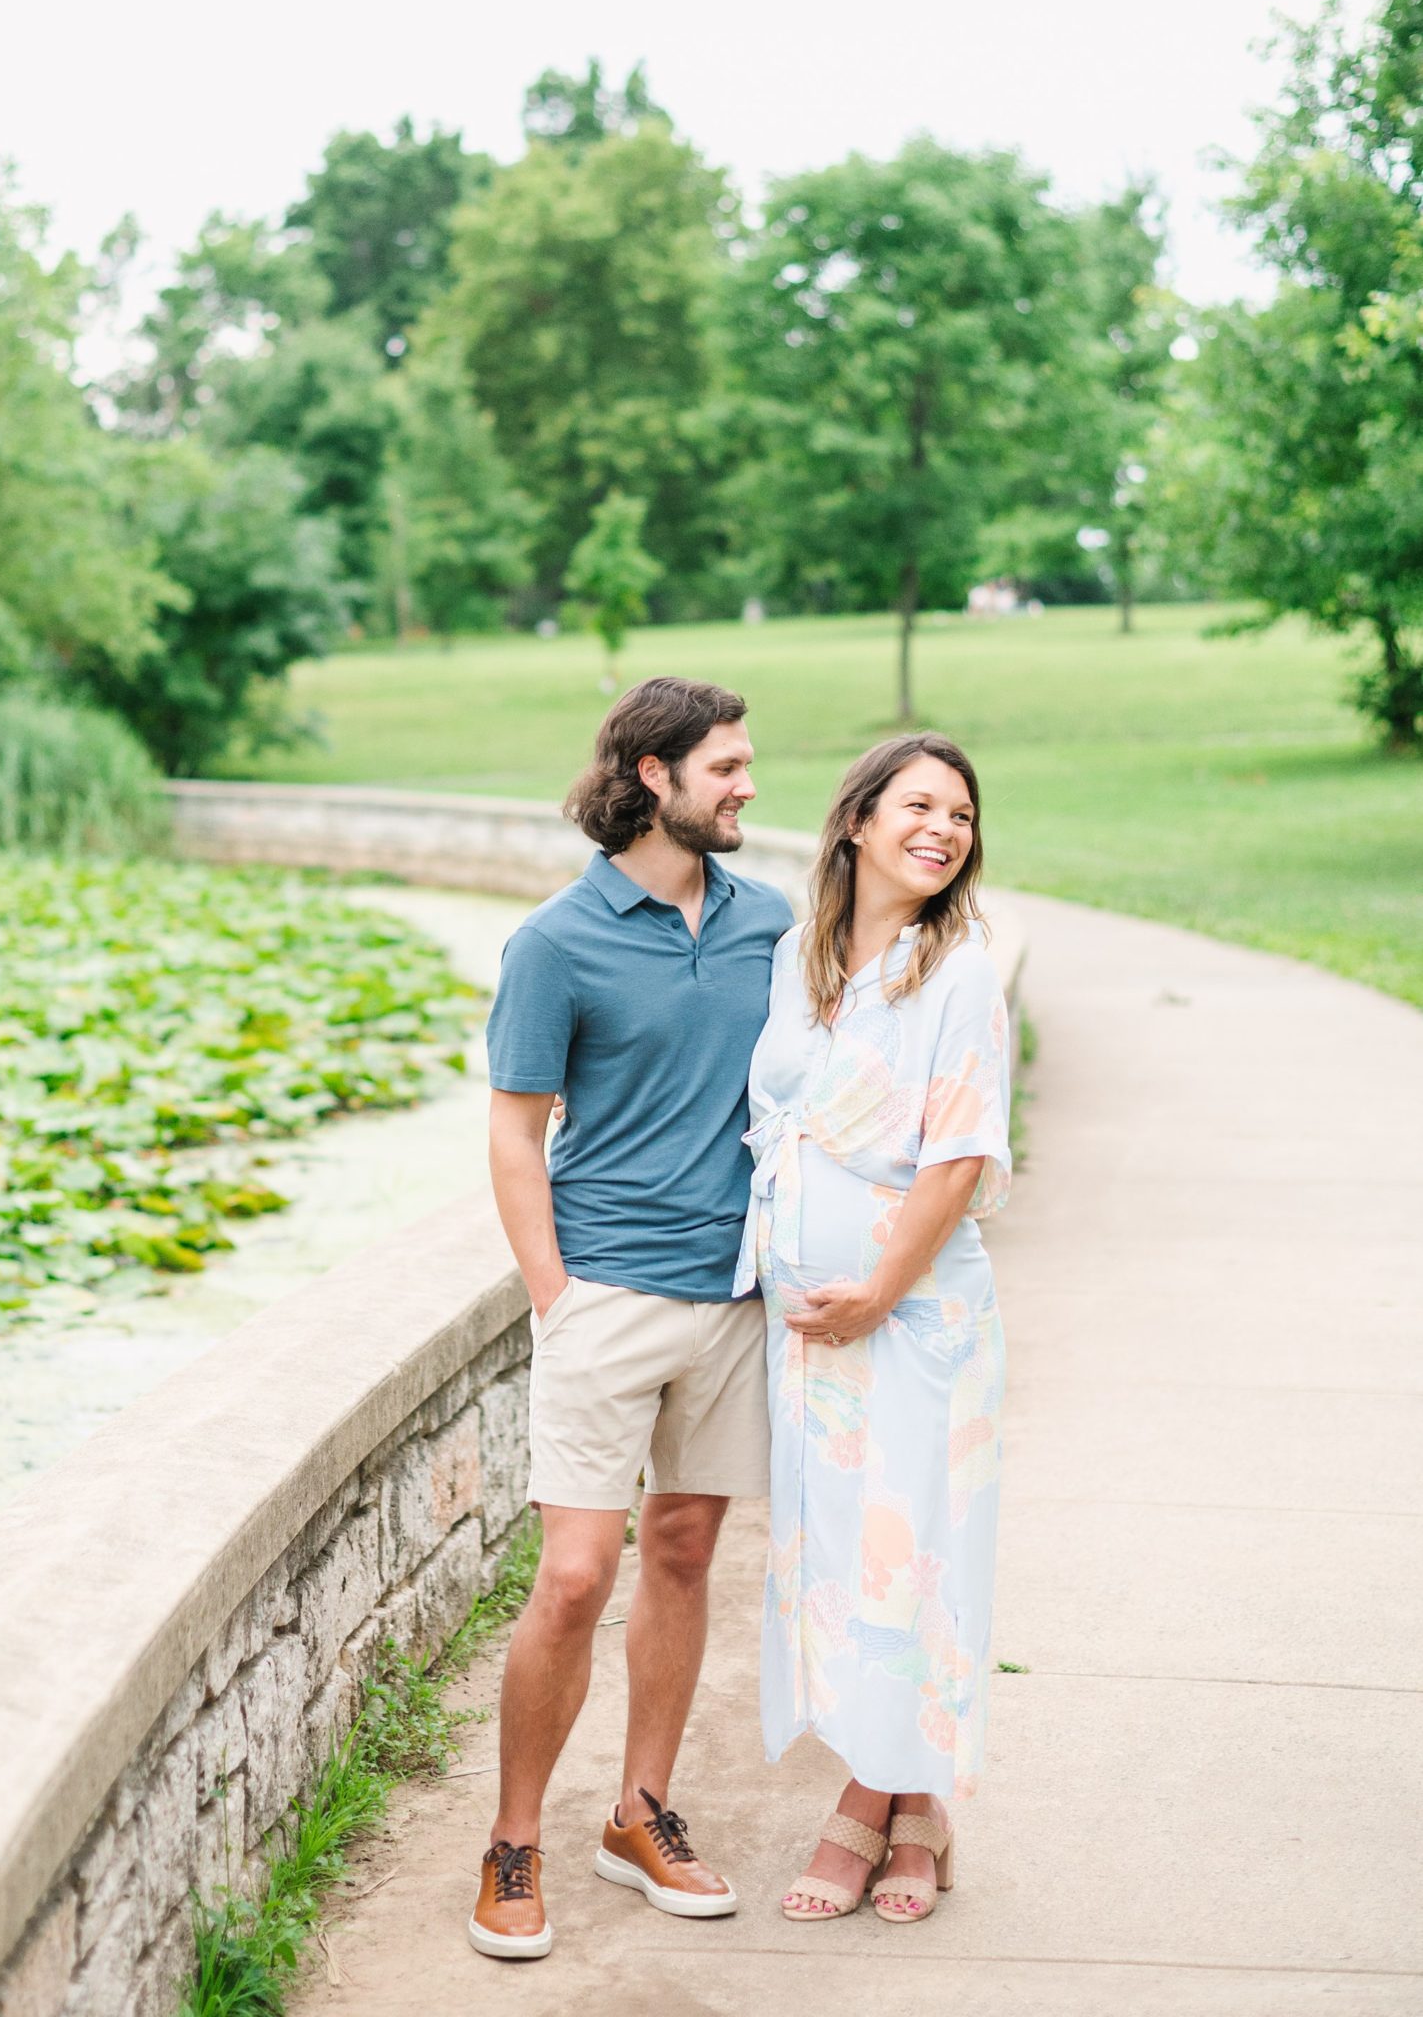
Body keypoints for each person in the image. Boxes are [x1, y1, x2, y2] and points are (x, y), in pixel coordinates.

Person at [469, 676, 796, 1961]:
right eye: (725, 765)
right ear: (652, 776)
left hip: (732, 1299)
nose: (747, 785)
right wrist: (555, 1295)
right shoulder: (555, 941)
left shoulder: (768, 922)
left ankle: (638, 1813)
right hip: (605, 1290)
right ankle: (512, 1839)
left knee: (680, 1553)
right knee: (571, 1576)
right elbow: (511, 1127)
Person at [740, 732, 1010, 1926]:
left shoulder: (955, 974)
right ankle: (920, 1807)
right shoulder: (801, 960)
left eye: (958, 814)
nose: (942, 829)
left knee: (908, 1549)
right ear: (854, 820)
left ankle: (869, 1802)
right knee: (837, 1555)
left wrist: (878, 1293)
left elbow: (957, 1158)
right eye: (918, 804)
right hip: (808, 1331)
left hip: (910, 1323)